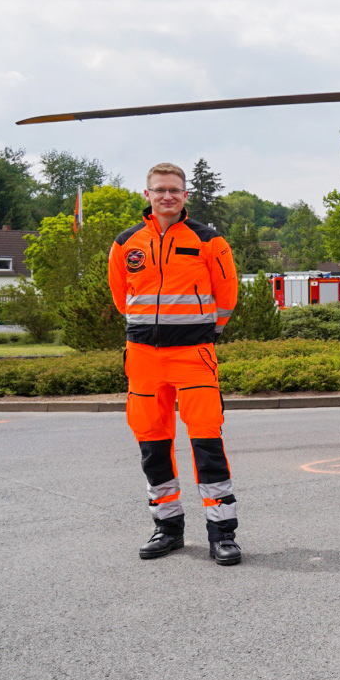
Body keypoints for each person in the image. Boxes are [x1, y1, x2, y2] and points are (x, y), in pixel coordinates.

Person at [108, 163, 241, 565]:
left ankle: (222, 533)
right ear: (146, 194)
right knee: (151, 442)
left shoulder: (208, 240)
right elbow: (121, 297)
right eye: (160, 189)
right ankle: (167, 527)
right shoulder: (126, 243)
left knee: (206, 442)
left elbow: (227, 296)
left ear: (186, 196)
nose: (167, 196)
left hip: (193, 356)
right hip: (144, 359)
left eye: (175, 190)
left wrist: (199, 334)